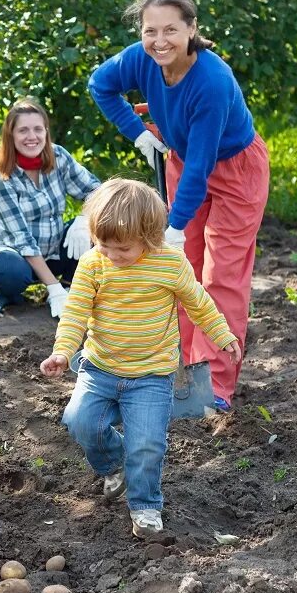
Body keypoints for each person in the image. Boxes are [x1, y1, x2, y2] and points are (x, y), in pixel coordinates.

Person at [88, 0, 269, 412]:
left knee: (220, 275)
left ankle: (218, 386)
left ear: (191, 29)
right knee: (179, 271)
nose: (159, 41)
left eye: (170, 30)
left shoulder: (212, 81)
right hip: (181, 159)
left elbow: (203, 167)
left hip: (234, 170)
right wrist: (138, 133)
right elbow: (101, 85)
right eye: (150, 31)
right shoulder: (142, 58)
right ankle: (184, 366)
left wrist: (172, 226)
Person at [39, 179, 240, 538]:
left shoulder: (170, 264)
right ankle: (115, 465)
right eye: (102, 244)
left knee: (147, 443)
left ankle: (145, 505)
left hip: (151, 375)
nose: (111, 254)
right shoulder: (93, 264)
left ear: (149, 237)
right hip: (99, 367)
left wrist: (222, 335)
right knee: (78, 420)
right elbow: (75, 313)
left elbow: (199, 302)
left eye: (122, 248)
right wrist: (63, 350)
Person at [0, 97, 101, 318]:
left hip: (51, 251)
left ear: (46, 132)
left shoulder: (58, 156)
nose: (32, 137)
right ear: (11, 136)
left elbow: (98, 191)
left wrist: (84, 219)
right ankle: (11, 302)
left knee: (96, 227)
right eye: (23, 130)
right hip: (13, 256)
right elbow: (22, 239)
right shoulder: (2, 179)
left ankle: (73, 288)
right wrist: (53, 289)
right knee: (8, 269)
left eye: (37, 129)